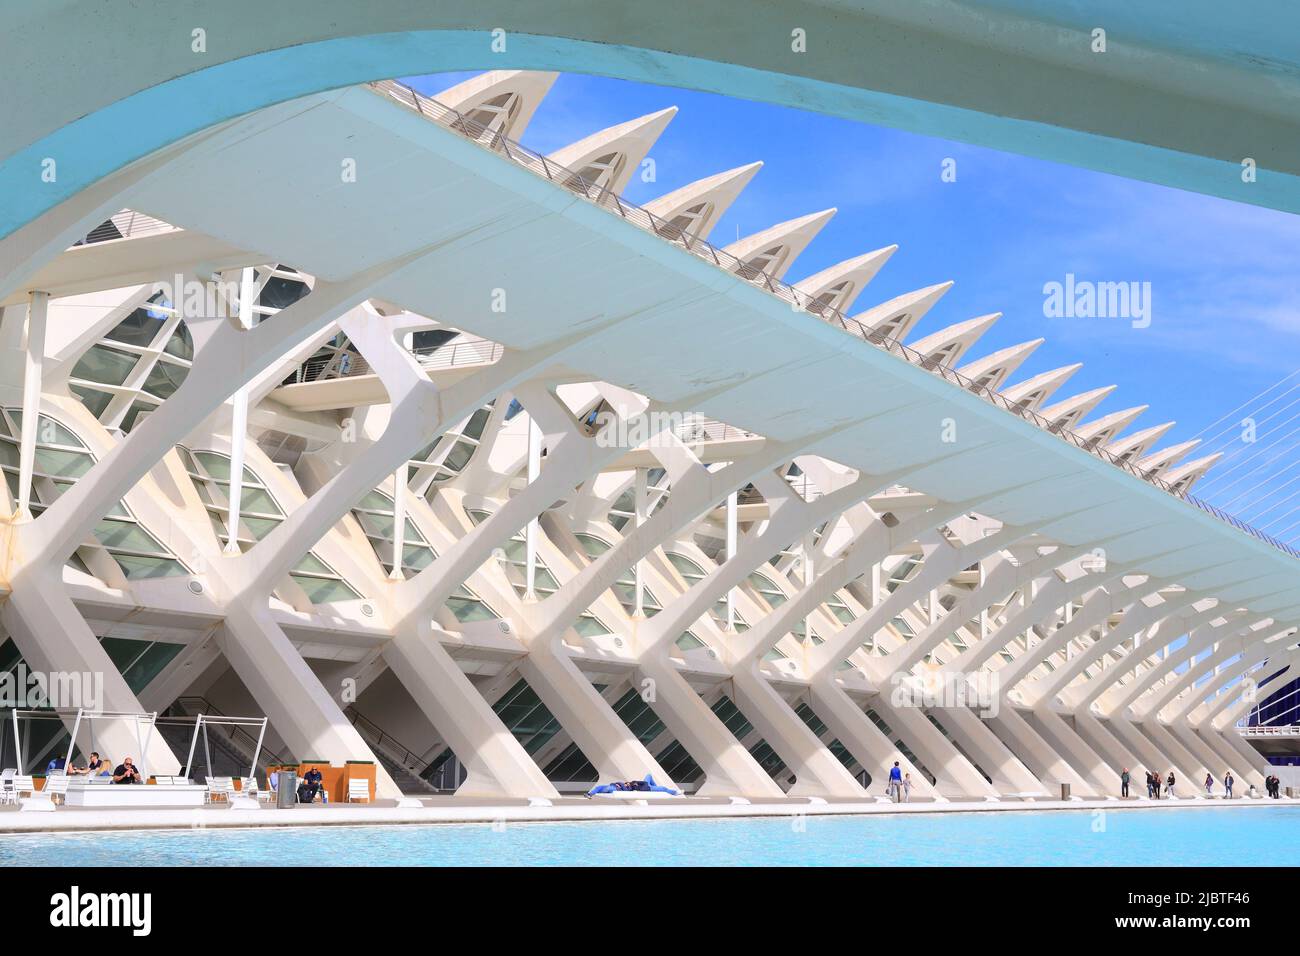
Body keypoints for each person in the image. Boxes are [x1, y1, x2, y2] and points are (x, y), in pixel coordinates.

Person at [587, 774, 680, 797]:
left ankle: (672, 792)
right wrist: (620, 785)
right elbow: (618, 785)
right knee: (663, 788)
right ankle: (674, 793)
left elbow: (642, 783)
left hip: (647, 786)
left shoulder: (630, 785)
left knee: (649, 775)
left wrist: (623, 784)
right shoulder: (627, 787)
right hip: (647, 787)